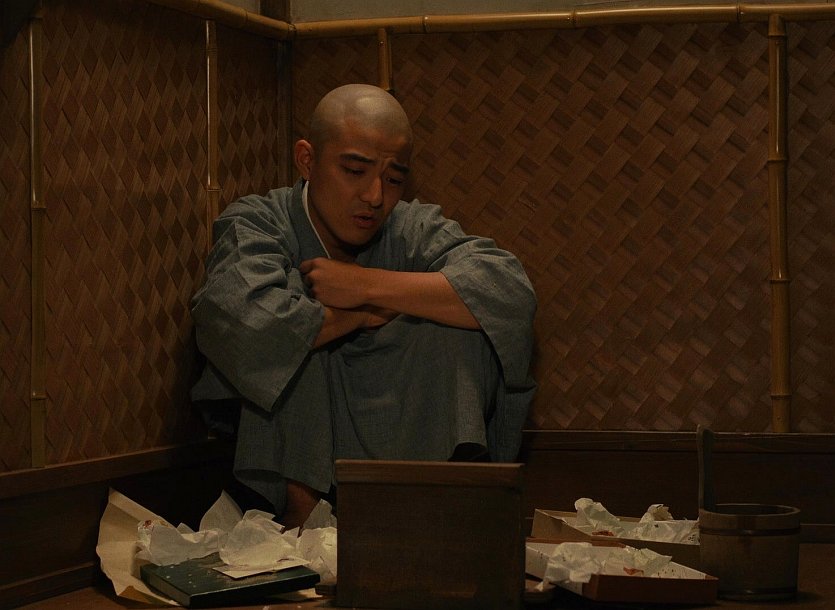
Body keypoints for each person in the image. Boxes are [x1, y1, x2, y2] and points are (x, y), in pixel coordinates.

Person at [191, 84, 537, 528]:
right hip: (295, 437)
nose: (374, 196)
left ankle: (442, 508)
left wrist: (366, 285)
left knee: (463, 322)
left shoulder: (411, 227)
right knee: (292, 330)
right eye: (354, 170)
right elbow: (248, 324)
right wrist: (359, 315)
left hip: (399, 413)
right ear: (307, 160)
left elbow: (508, 292)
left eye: (393, 179)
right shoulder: (259, 221)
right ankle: (302, 517)